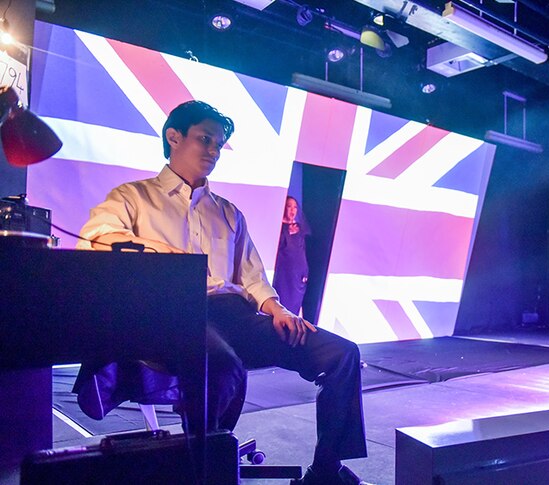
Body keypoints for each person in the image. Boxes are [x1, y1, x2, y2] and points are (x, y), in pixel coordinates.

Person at [76, 100, 368, 484]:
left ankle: (325, 471)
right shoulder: (133, 196)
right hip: (175, 314)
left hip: (237, 316)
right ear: (173, 137)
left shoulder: (229, 212)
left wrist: (276, 308)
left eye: (218, 144)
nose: (213, 151)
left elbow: (251, 276)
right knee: (222, 363)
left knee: (342, 354)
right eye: (205, 139)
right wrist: (166, 254)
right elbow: (94, 238)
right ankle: (207, 472)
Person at [272, 196, 310, 315]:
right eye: (289, 206)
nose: (292, 210)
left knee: (294, 306)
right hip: (284, 275)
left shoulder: (300, 227)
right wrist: (287, 233)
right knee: (282, 302)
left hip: (298, 277)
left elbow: (301, 252)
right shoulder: (279, 227)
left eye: (295, 207)